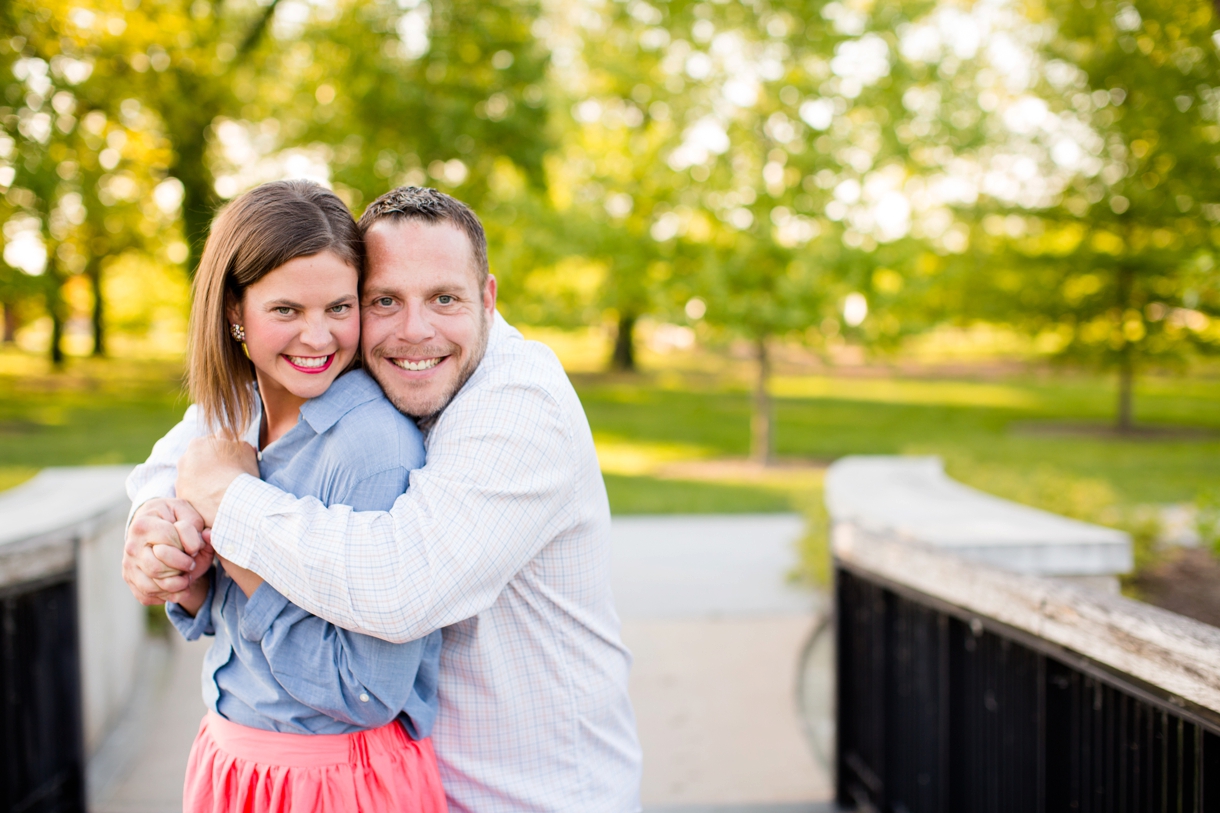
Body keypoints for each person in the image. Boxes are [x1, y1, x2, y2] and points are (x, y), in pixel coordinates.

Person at [124, 186, 643, 812]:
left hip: (529, 795)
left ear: (488, 298)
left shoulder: (517, 408)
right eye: (385, 301)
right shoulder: (359, 358)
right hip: (404, 784)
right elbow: (190, 447)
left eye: (444, 298)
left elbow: (401, 588)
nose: (414, 330)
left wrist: (225, 504)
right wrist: (158, 517)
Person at [135, 180, 447, 812]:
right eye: (286, 311)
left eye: (339, 308)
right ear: (233, 313)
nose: (318, 337)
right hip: (230, 761)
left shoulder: (370, 450)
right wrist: (178, 565)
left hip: (336, 784)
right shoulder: (235, 418)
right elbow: (215, 618)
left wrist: (234, 534)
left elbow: (367, 690)